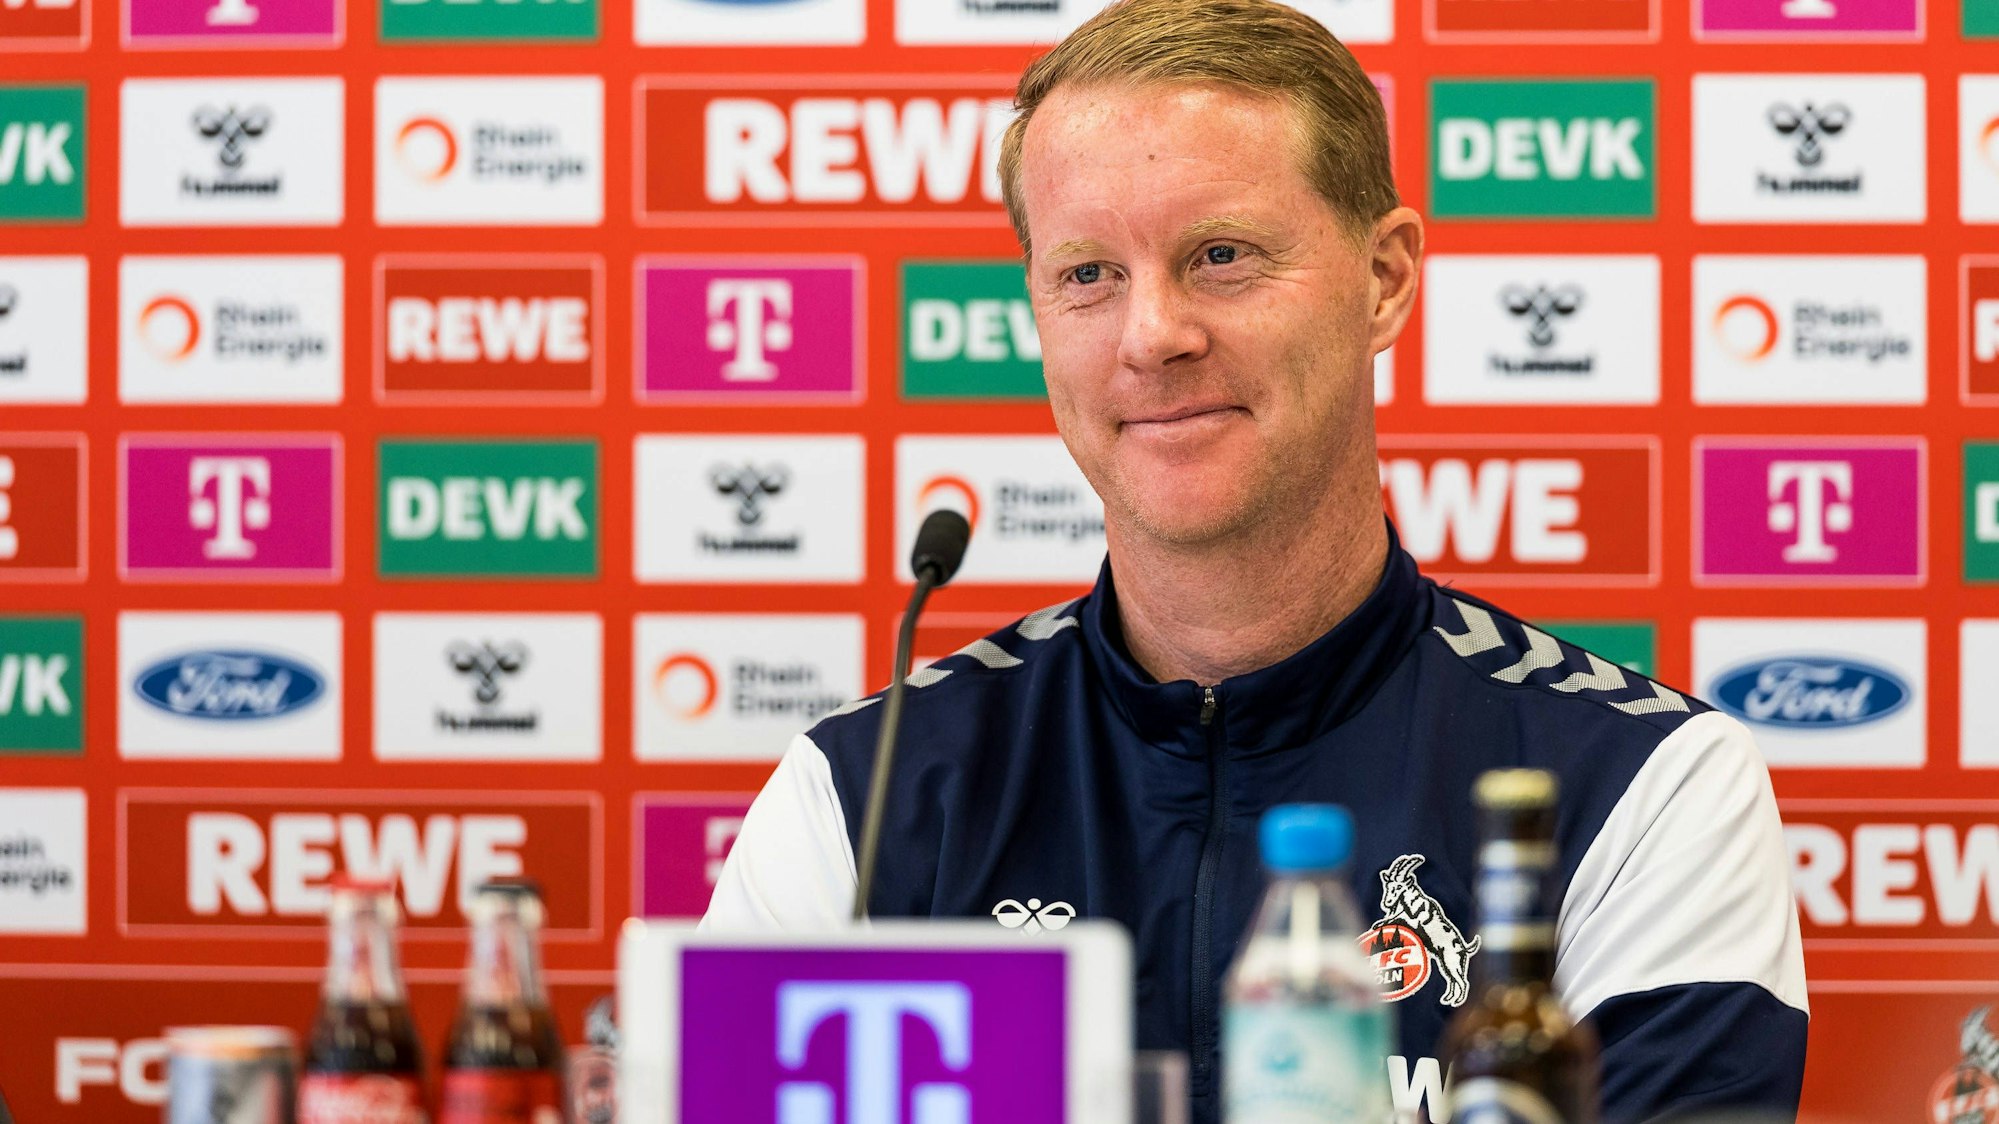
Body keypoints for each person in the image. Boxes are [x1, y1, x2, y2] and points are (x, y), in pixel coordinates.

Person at [702, 0, 1808, 1119]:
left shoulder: (1641, 782)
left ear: (1383, 279)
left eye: (1220, 256)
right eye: (1088, 274)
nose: (1152, 335)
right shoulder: (865, 788)